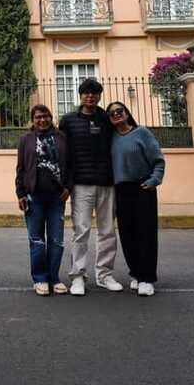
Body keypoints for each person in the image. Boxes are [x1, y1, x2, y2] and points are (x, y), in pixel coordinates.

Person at [58, 78, 123, 296]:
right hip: (81, 185)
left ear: (99, 96)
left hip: (107, 183)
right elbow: (64, 155)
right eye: (86, 93)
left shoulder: (107, 119)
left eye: (94, 93)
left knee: (107, 231)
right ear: (80, 95)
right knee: (81, 231)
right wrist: (66, 184)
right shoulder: (68, 121)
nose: (90, 97)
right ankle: (78, 276)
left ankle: (104, 275)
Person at [106, 101, 165, 297]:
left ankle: (147, 278)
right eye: (112, 113)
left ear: (127, 112)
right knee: (128, 234)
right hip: (121, 190)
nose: (116, 114)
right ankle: (135, 273)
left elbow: (158, 160)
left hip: (142, 187)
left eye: (119, 111)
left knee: (145, 234)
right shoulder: (111, 138)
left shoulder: (142, 133)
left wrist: (154, 180)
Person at [15, 104, 71, 296]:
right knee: (36, 240)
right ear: (33, 119)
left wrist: (68, 187)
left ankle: (54, 278)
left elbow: (71, 165)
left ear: (51, 117)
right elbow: (21, 169)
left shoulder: (61, 138)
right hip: (34, 196)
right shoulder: (26, 140)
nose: (42, 120)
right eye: (38, 117)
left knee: (56, 240)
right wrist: (20, 193)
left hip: (57, 197)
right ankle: (40, 279)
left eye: (46, 116)